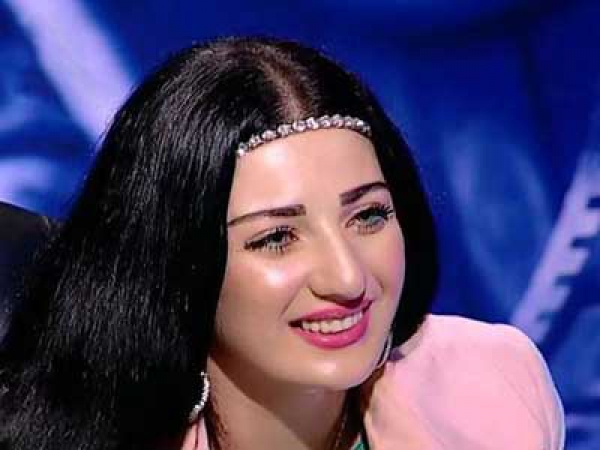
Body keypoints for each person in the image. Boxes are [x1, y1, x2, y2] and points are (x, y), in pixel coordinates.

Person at [0, 36, 564, 450]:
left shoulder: (494, 384)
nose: (347, 278)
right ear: (178, 259)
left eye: (368, 216)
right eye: (277, 237)